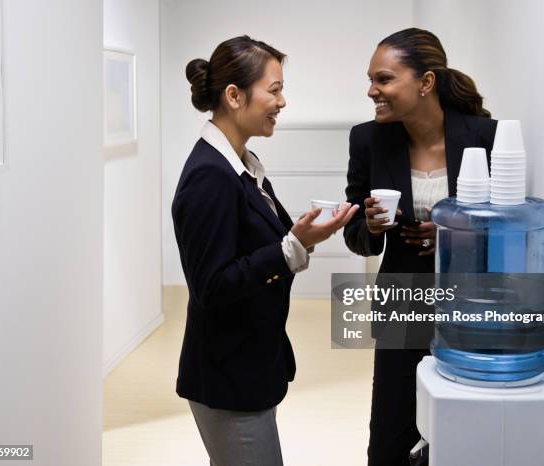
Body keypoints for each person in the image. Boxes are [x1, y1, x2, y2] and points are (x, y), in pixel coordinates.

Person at [172, 35, 358, 466]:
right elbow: (212, 287)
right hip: (226, 381)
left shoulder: (244, 165)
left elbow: (259, 249)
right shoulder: (210, 176)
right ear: (234, 96)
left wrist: (301, 237)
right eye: (274, 90)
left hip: (248, 369)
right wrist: (294, 246)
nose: (283, 101)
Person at [343, 28, 498, 465]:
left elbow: (504, 231)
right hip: (403, 304)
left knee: (461, 430)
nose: (372, 90)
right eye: (371, 79)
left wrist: (452, 235)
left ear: (425, 83)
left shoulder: (484, 136)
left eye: (384, 79)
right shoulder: (368, 140)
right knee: (391, 436)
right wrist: (371, 225)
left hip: (471, 307)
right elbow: (357, 239)